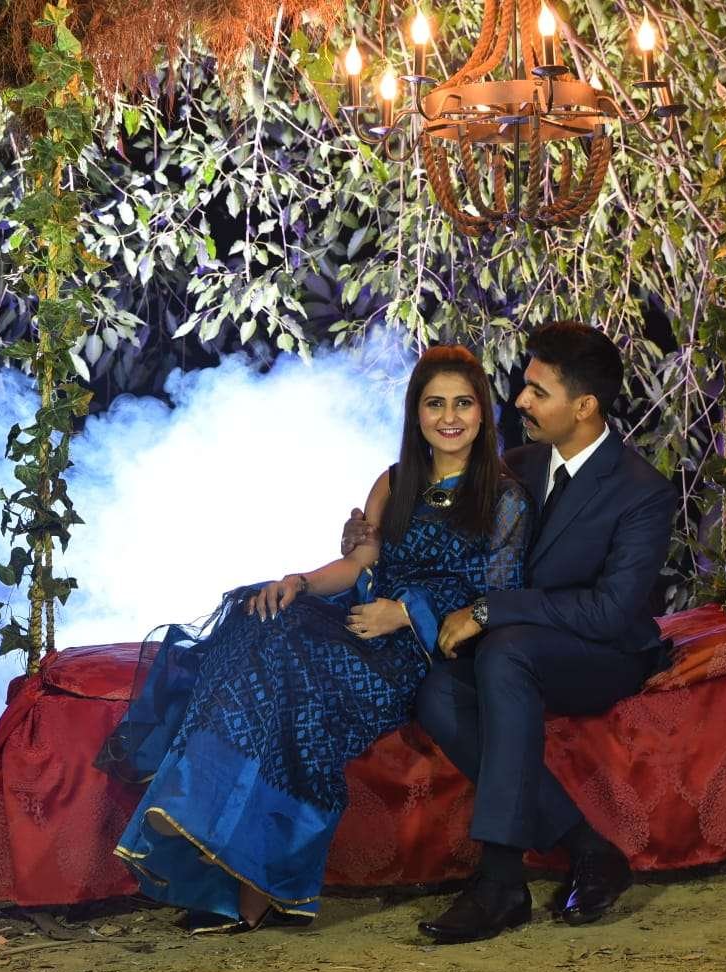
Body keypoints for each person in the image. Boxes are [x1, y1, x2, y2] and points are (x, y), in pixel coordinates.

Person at [96, 345, 532, 934]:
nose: (449, 417)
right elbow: (357, 564)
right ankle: (203, 820)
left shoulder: (504, 498)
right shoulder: (394, 481)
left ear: (483, 412)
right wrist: (298, 581)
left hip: (415, 648)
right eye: (435, 404)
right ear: (416, 413)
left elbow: (496, 594)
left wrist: (406, 614)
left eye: (463, 403)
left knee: (294, 670)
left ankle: (248, 880)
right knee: (259, 616)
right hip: (360, 616)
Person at [344, 321, 676, 944]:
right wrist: (367, 541)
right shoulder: (515, 466)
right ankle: (588, 847)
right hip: (519, 644)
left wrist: (491, 611)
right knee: (439, 692)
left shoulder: (642, 492)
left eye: (537, 391)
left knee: (504, 650)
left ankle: (500, 880)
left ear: (584, 406)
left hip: (603, 654)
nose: (519, 400)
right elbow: (440, 546)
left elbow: (609, 611)